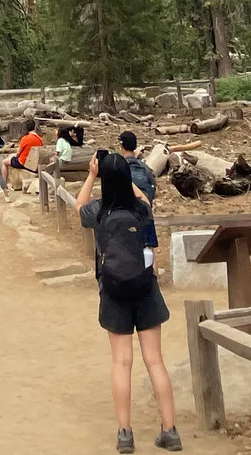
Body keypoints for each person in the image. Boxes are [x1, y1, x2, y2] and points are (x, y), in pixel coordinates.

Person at [78, 152, 181, 453]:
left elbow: (78, 206)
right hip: (145, 288)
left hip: (112, 290)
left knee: (122, 362)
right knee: (155, 360)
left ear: (104, 180)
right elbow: (145, 200)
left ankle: (125, 433)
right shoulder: (140, 209)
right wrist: (129, 178)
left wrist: (91, 175)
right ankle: (170, 430)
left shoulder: (98, 211)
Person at [120, 130, 158, 252]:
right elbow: (153, 186)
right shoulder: (145, 167)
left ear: (121, 145)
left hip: (127, 216)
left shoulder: (119, 167)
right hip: (146, 214)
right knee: (149, 251)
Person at [15, 122, 43, 189]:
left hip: (24, 162)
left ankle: (5, 186)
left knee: (5, 162)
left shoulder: (25, 138)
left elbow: (18, 153)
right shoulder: (40, 139)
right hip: (35, 162)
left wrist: (16, 156)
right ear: (34, 127)